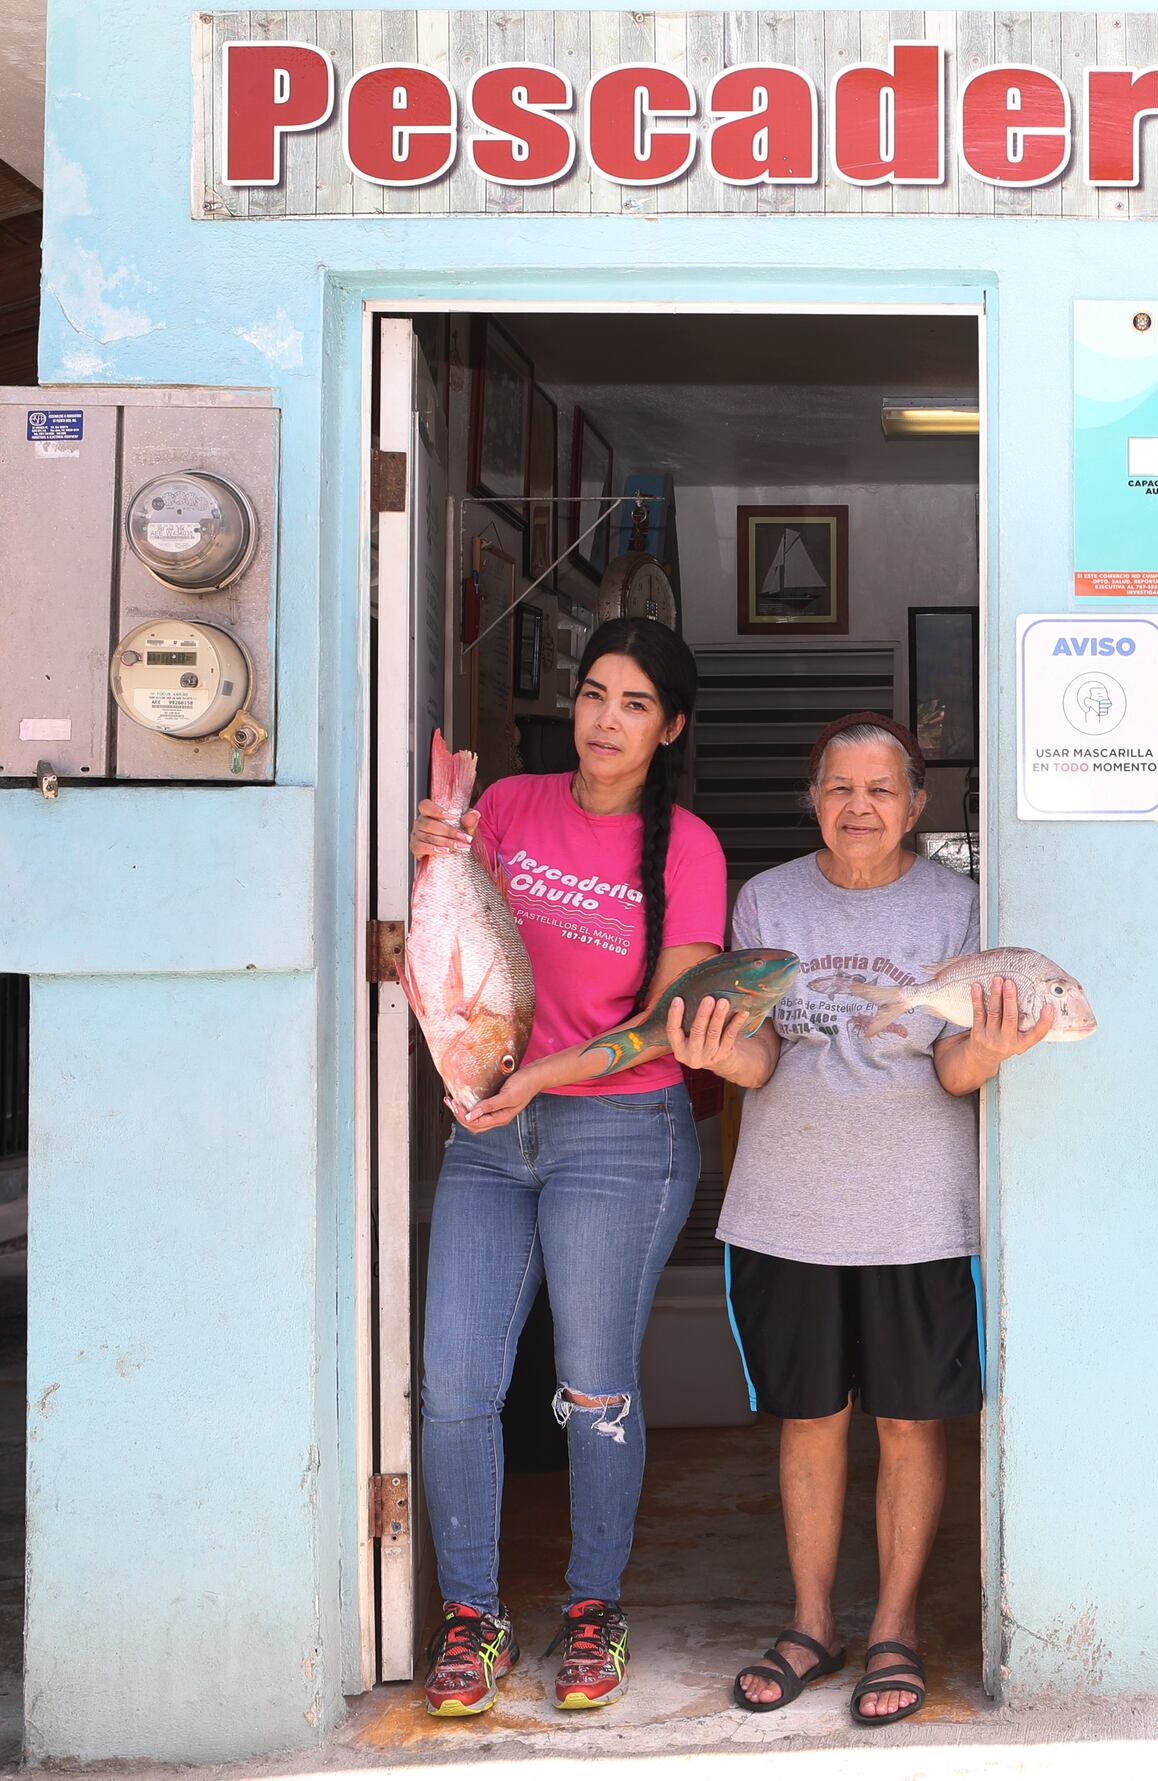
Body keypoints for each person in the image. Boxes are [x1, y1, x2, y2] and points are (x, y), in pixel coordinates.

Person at [667, 712, 1050, 1727]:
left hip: (919, 1210)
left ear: (915, 805)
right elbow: (759, 1056)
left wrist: (999, 1047)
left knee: (910, 1419)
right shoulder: (768, 899)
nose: (859, 807)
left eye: (880, 789)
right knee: (811, 1416)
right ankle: (809, 1623)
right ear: (813, 796)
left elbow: (955, 1066)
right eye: (839, 787)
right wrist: (712, 1053)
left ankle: (893, 1625)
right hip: (787, 1205)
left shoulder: (958, 907)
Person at [406, 617, 727, 1717]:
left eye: (635, 703)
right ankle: (470, 1614)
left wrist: (542, 1079)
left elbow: (667, 1024)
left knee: (593, 1384)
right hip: (490, 1132)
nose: (605, 719)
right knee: (456, 1381)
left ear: (669, 725)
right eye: (594, 693)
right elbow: (452, 942)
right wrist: (434, 851)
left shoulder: (686, 845)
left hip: (621, 1137)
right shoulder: (509, 808)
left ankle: (593, 1605)